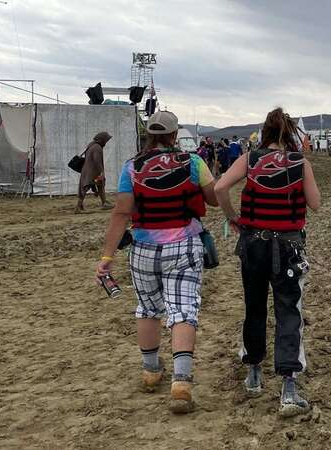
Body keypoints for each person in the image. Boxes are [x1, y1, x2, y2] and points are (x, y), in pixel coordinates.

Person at [95, 111, 218, 414]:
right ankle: (181, 382)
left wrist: (107, 257)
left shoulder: (131, 167)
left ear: (148, 134)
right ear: (175, 135)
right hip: (184, 245)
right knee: (183, 309)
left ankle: (151, 372)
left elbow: (121, 213)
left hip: (143, 248)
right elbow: (213, 199)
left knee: (148, 308)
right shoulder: (193, 163)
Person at [214, 108, 321, 418]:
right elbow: (315, 204)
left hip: (253, 243)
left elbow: (221, 187)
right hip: (288, 245)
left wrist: (232, 217)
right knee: (289, 310)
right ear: (289, 134)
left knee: (255, 307)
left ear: (264, 132)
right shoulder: (300, 163)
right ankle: (288, 388)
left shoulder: (250, 159)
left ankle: (254, 374)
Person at [75, 132, 113, 213]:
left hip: (88, 170)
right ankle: (78, 207)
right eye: (106, 140)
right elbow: (97, 161)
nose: (106, 142)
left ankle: (104, 203)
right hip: (92, 172)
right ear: (102, 140)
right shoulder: (97, 148)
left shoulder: (91, 145)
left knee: (100, 185)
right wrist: (101, 172)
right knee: (85, 187)